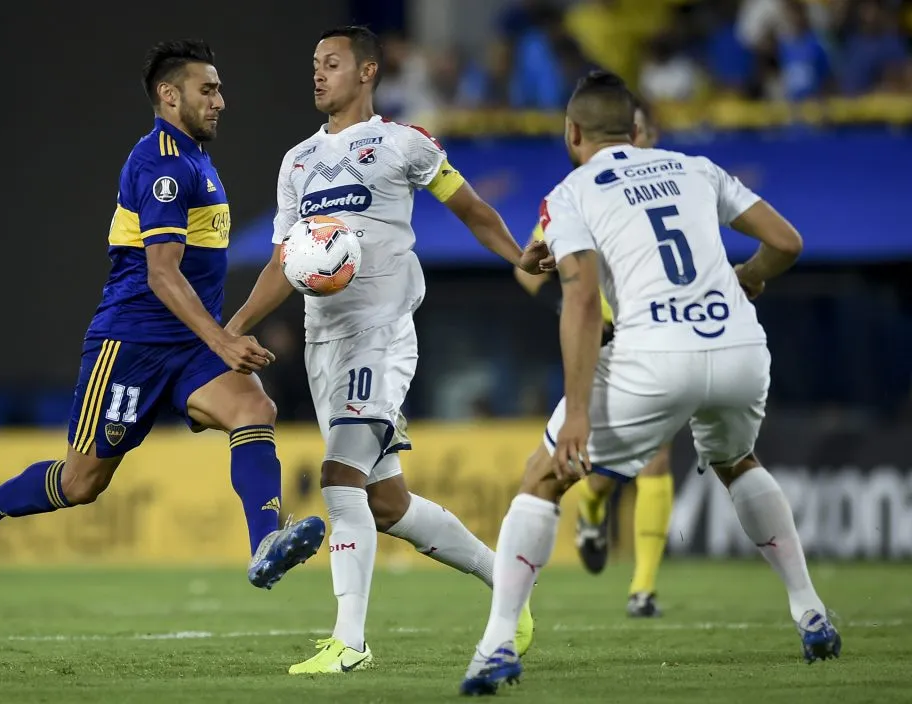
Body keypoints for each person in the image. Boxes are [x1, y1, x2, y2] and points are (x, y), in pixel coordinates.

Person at [461, 70, 840, 695]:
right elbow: (787, 242)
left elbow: (580, 300)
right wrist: (747, 275)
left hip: (655, 354)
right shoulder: (695, 167)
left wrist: (577, 410)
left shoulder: (572, 191)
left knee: (544, 476)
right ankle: (810, 611)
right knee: (738, 460)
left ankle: (497, 643)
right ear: (635, 130)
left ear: (572, 131)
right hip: (740, 348)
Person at [0, 39, 324, 591]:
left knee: (253, 407)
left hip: (189, 347)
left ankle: (265, 542)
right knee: (80, 483)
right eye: (208, 90)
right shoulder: (161, 166)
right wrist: (223, 339)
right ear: (170, 97)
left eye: (219, 89)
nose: (221, 101)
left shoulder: (197, 161)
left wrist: (219, 338)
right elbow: (161, 275)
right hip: (130, 345)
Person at [225, 26, 551, 674]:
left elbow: (473, 208)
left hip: (383, 334)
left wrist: (520, 257)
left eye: (333, 63)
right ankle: (508, 583)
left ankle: (350, 643)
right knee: (387, 504)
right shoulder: (296, 162)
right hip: (326, 342)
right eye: (314, 64)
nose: (318, 74)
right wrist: (230, 329)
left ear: (368, 71)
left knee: (339, 479)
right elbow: (283, 262)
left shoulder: (403, 143)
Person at [513, 100, 673, 618]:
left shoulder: (670, 190)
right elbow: (524, 267)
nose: (637, 140)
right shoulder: (577, 196)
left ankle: (643, 589)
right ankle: (594, 505)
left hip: (655, 340)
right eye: (633, 131)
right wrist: (578, 305)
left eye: (644, 133)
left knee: (658, 456)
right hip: (600, 345)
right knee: (593, 470)